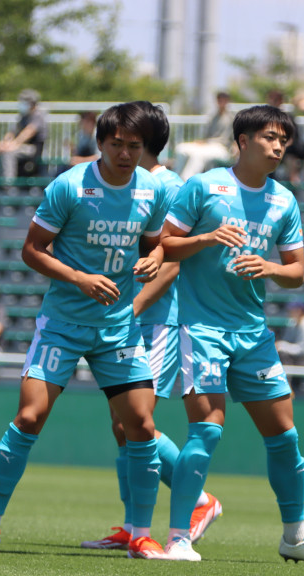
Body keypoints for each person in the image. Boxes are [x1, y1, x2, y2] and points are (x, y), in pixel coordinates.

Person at [0, 103, 168, 558]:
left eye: (134, 146)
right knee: (29, 417)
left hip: (118, 328)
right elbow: (32, 250)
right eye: (116, 144)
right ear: (100, 143)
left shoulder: (153, 190)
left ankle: (141, 534)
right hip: (63, 325)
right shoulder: (69, 186)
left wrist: (154, 260)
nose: (125, 153)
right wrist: (79, 278)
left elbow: (155, 247)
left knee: (141, 425)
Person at [160, 104, 304, 565]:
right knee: (206, 430)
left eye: (284, 139)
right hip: (202, 328)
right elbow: (165, 244)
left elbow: (297, 272)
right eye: (270, 137)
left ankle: (295, 537)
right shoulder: (204, 186)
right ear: (242, 141)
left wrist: (269, 267)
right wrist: (206, 238)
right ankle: (179, 538)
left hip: (253, 333)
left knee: (285, 435)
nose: (278, 146)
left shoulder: (284, 200)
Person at [81, 101, 222, 552]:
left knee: (135, 420)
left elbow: (171, 263)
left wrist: (132, 308)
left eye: (130, 137)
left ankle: (199, 500)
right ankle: (131, 525)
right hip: (132, 318)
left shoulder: (168, 186)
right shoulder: (127, 183)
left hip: (158, 320)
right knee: (121, 423)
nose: (120, 145)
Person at [175, 91, 235, 181]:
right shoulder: (212, 117)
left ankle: (186, 181)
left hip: (221, 148)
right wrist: (203, 141)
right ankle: (176, 179)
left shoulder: (232, 118)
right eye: (219, 100)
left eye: (223, 100)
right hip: (207, 145)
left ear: (227, 101)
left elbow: (233, 139)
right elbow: (207, 137)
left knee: (198, 155)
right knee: (181, 148)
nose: (221, 102)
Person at [0, 89, 47, 180]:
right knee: (2, 149)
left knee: (9, 153)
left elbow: (29, 132)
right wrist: (4, 143)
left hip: (33, 148)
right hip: (21, 147)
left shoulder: (38, 116)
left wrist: (13, 145)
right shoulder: (23, 117)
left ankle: (8, 183)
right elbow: (12, 132)